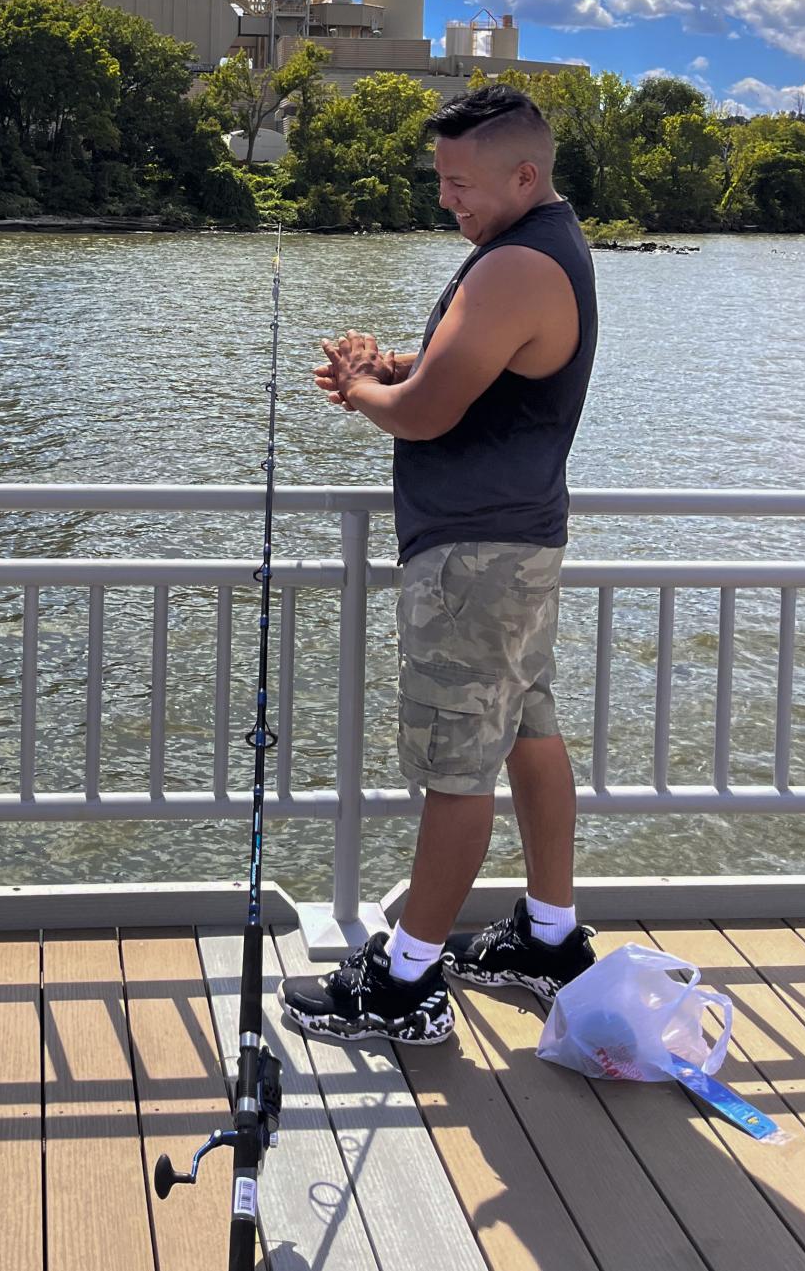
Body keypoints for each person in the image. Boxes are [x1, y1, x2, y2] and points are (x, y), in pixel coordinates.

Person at [281, 85, 598, 1045]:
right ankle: (548, 936)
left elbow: (424, 412)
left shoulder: (511, 267)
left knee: (456, 772)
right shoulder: (544, 247)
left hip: (475, 560)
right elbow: (453, 371)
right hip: (516, 546)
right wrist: (378, 373)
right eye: (441, 182)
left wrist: (370, 391)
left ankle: (404, 980)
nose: (446, 200)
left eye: (459, 184)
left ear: (523, 172)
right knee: (526, 735)